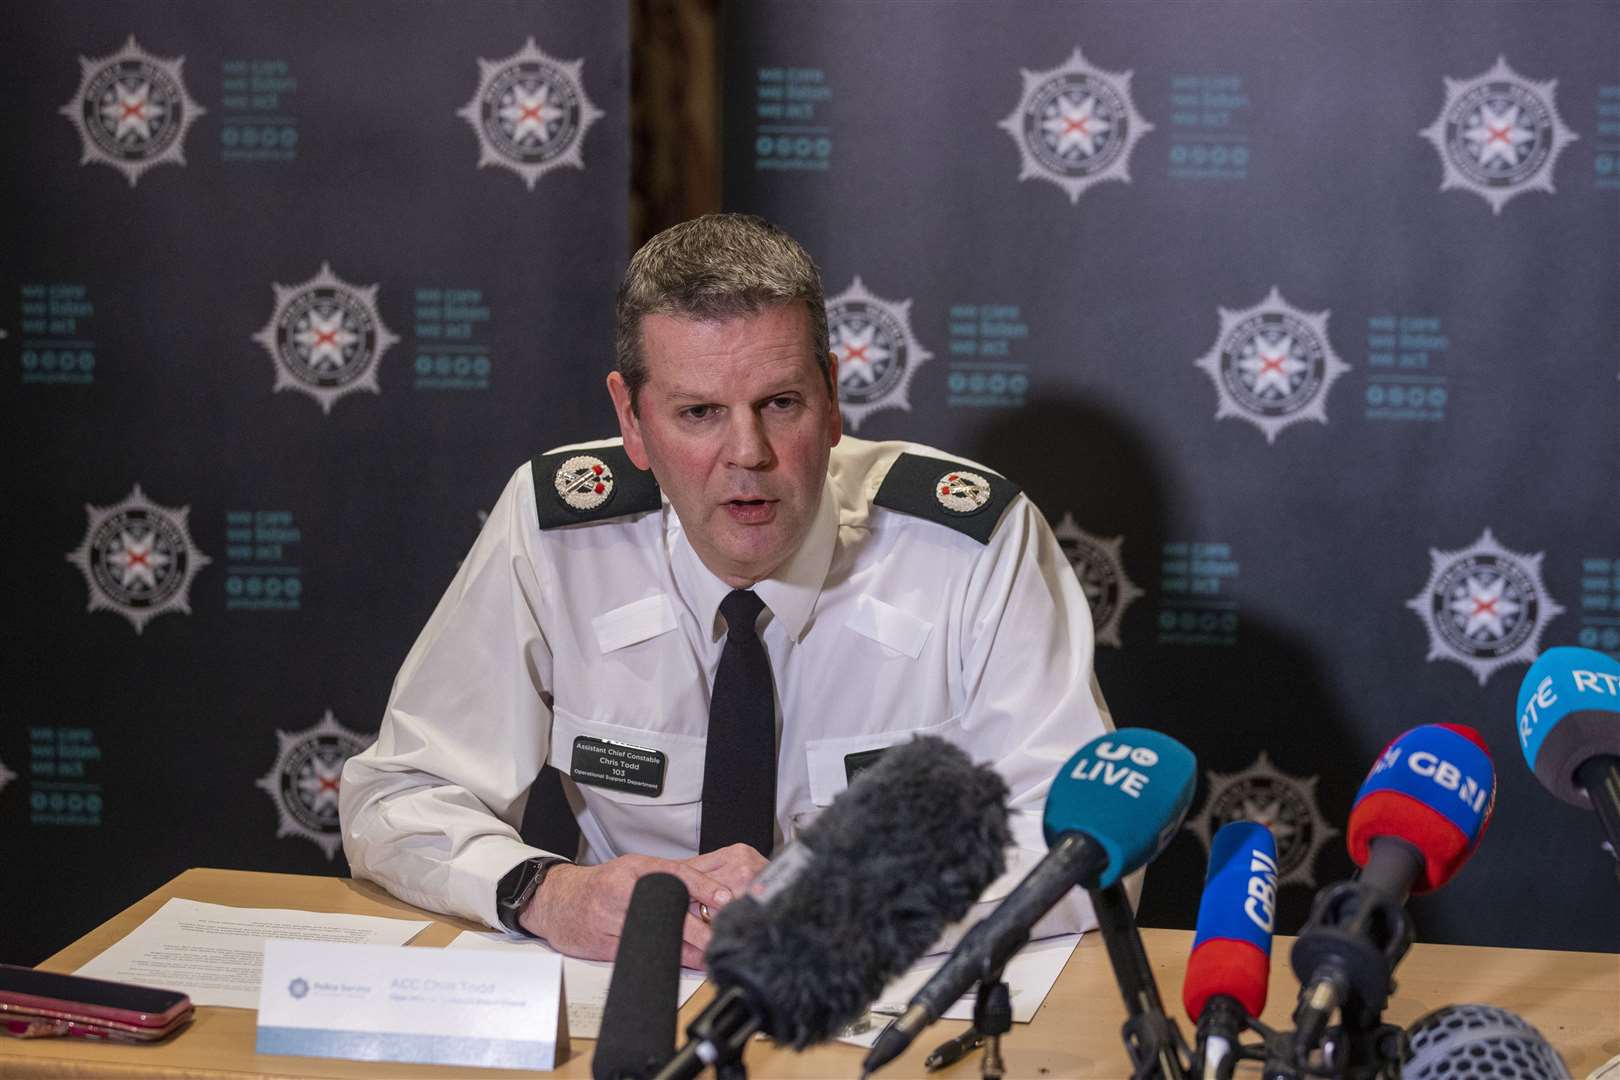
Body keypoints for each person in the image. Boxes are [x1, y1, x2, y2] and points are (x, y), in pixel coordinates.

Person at [340, 214, 1118, 970]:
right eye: (699, 413)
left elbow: (1083, 839)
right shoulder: (558, 530)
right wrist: (551, 895)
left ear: (833, 398)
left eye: (780, 403)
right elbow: (397, 795)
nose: (747, 453)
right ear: (632, 421)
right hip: (634, 1000)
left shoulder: (970, 544)